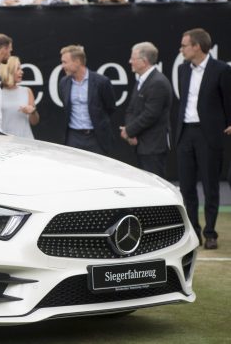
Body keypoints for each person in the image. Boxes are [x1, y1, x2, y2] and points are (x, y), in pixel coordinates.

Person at [176, 28, 231, 250]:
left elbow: (229, 98)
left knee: (210, 186)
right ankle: (194, 232)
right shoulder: (182, 70)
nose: (181, 49)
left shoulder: (221, 70)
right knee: (187, 187)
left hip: (209, 134)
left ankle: (210, 233)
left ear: (197, 46)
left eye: (184, 45)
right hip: (185, 132)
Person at [120, 42, 172, 178]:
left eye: (133, 58)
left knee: (156, 188)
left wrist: (129, 131)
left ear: (144, 61)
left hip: (153, 147)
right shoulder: (141, 80)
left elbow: (151, 114)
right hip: (140, 144)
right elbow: (131, 109)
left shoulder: (158, 82)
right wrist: (131, 133)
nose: (130, 61)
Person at [59, 45, 116, 156]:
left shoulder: (101, 82)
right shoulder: (64, 83)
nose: (62, 66)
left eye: (65, 62)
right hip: (73, 137)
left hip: (96, 138)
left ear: (77, 62)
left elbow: (110, 107)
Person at [0, 56, 39, 138]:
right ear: (9, 71)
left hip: (26, 140)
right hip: (4, 142)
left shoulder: (27, 91)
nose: (22, 72)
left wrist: (33, 112)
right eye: (18, 69)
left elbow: (34, 122)